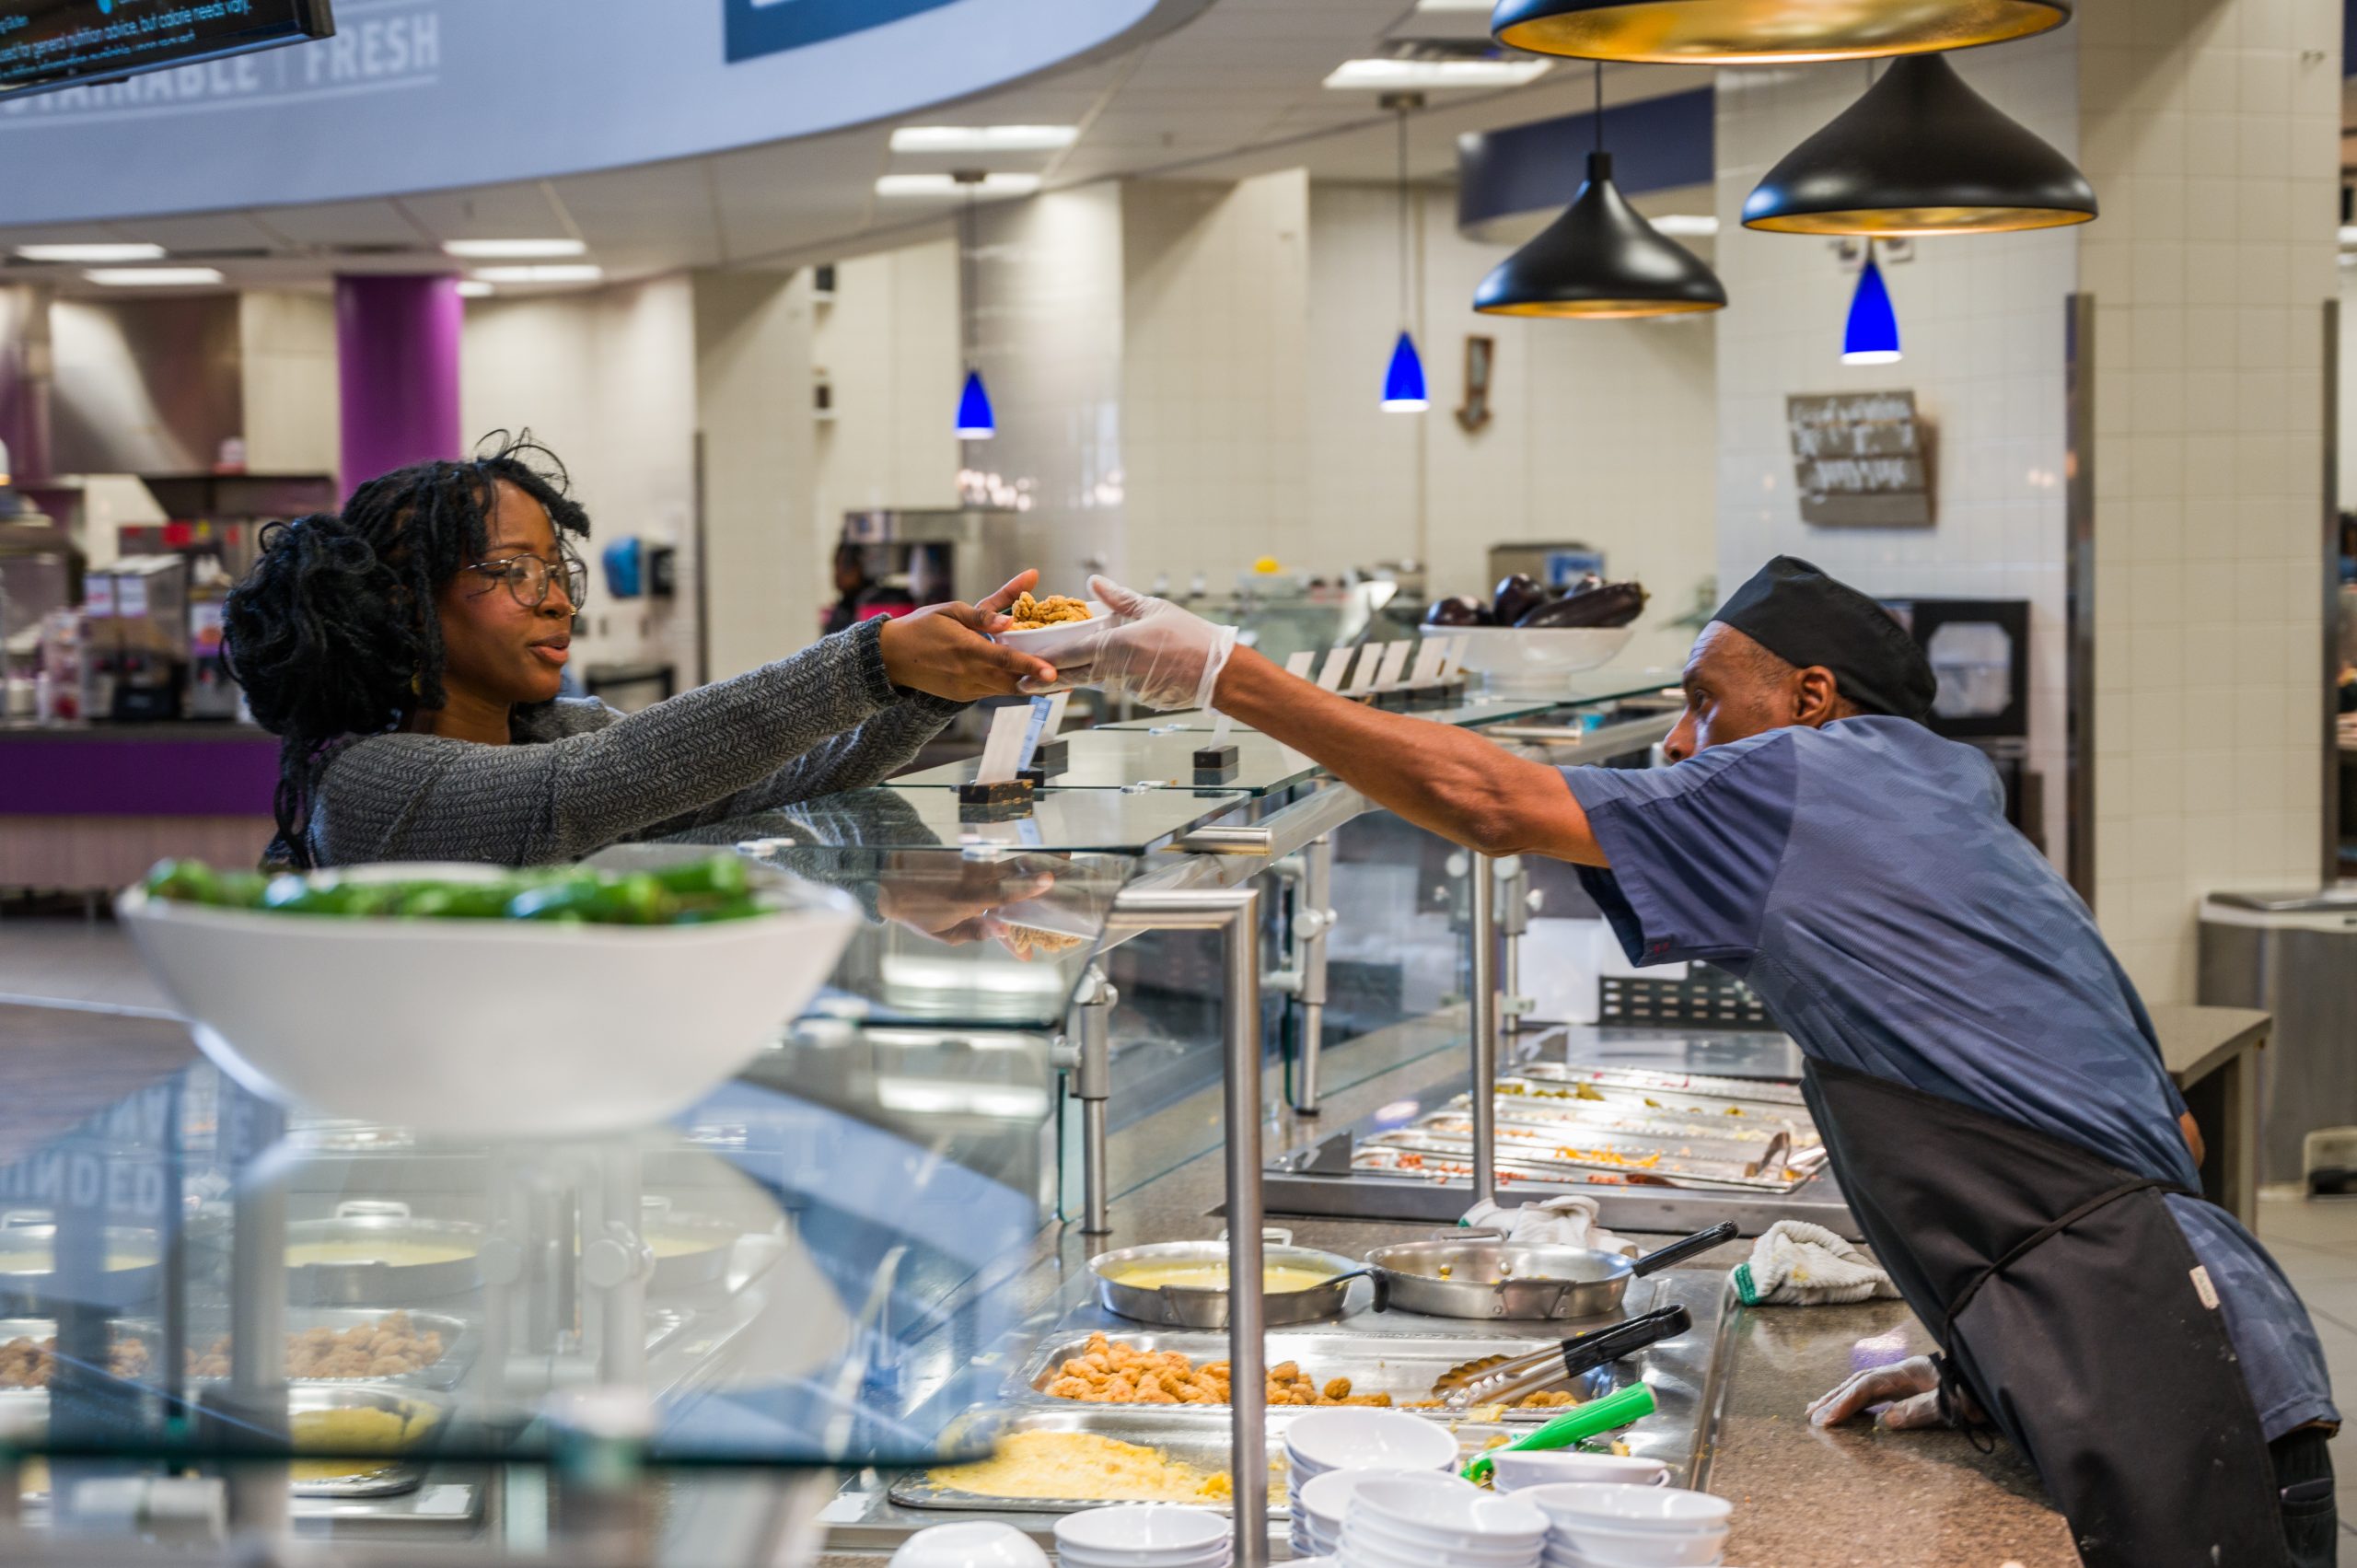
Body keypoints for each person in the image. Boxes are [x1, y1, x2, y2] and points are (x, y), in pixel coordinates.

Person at [1046, 560, 2339, 1568]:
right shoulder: (1931, 796)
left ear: (1813, 700)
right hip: (2178, 1341)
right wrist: (1992, 1359)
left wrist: (1226, 672)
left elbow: (1492, 804)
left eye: (1703, 699)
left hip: (2174, 1375)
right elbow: (2169, 1133)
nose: (1677, 738)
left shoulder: (1803, 777)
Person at [223, 436, 1056, 869]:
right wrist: (869, 659)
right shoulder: (368, 784)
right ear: (407, 599)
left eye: (556, 569)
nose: (555, 597)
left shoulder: (555, 728)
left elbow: (787, 779)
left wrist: (933, 683)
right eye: (512, 571)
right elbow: (601, 781)